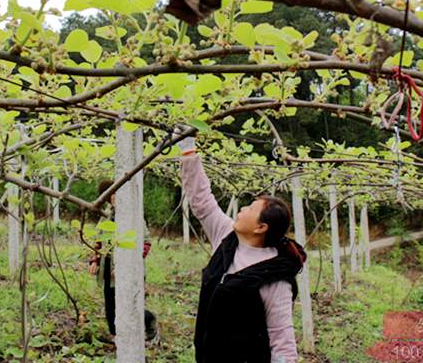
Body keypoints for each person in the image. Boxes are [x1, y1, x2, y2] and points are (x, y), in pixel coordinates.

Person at [177, 135, 307, 363]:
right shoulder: (227, 237)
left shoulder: (275, 278)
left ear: (261, 227)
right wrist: (188, 150)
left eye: (251, 208)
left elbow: (282, 338)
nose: (243, 208)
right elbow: (202, 201)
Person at [88, 180, 158, 342]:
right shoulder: (107, 215)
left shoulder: (133, 215)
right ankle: (116, 336)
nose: (114, 197)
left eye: (116, 193)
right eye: (111, 194)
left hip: (127, 271)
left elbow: (145, 243)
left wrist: (127, 265)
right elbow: (98, 240)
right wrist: (95, 260)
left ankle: (148, 320)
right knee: (110, 307)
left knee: (129, 306)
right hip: (108, 270)